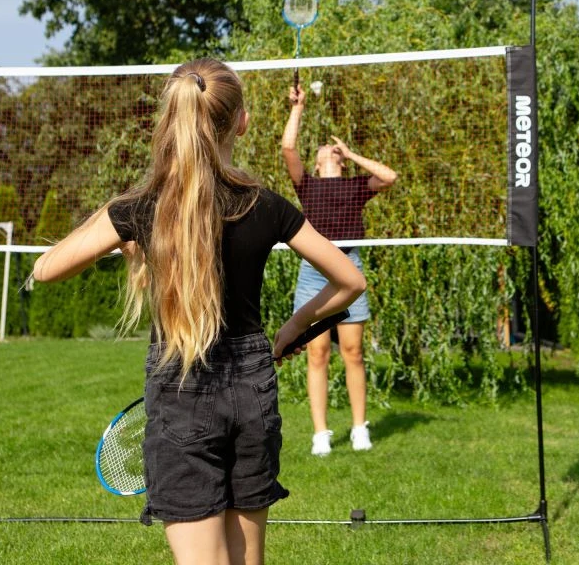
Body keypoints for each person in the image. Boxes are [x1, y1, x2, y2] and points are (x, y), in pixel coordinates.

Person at [33, 59, 365, 565]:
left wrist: (120, 220)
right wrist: (295, 326)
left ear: (172, 118)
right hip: (253, 385)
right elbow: (350, 281)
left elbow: (45, 269)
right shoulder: (266, 205)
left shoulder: (141, 207)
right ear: (241, 122)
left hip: (180, 384)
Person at [281, 83, 397, 456]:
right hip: (313, 273)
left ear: (341, 161)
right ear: (316, 164)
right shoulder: (307, 185)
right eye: (324, 150)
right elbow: (288, 148)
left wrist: (351, 153)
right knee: (316, 354)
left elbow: (390, 177)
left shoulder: (356, 186)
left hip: (349, 267)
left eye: (334, 151)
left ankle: (359, 429)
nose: (328, 150)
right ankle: (321, 434)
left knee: (353, 351)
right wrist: (297, 107)